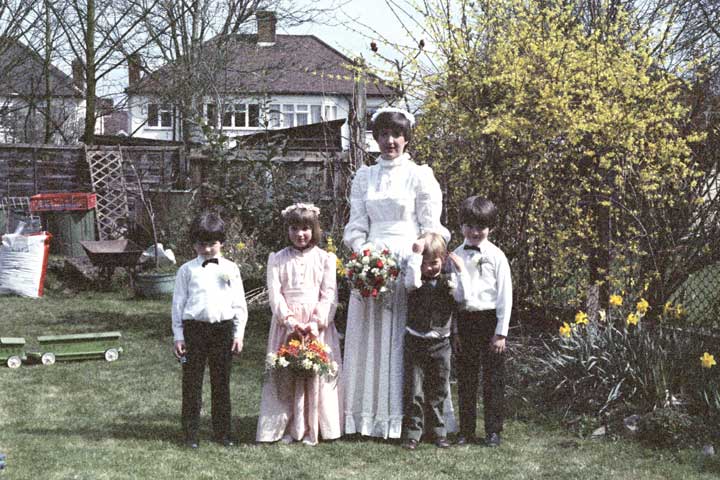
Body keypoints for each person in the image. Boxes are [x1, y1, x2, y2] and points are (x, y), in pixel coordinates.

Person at [342, 106, 454, 439]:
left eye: (396, 134)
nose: (390, 141)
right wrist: (364, 256)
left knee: (408, 344)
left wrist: (417, 252)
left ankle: (412, 421)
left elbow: (433, 228)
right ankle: (365, 418)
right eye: (383, 135)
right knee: (370, 338)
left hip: (410, 267)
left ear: (406, 138)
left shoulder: (420, 175)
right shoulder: (365, 176)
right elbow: (356, 225)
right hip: (372, 265)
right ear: (375, 138)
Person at [256, 203, 343, 445]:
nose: (300, 234)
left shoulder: (325, 259)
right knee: (285, 377)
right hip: (287, 325)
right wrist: (290, 320)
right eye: (294, 228)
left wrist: (316, 323)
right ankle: (286, 426)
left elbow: (329, 295)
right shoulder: (277, 259)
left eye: (305, 228)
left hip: (317, 327)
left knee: (316, 374)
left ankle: (316, 427)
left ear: (314, 229)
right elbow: (275, 294)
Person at [172, 212, 247, 449]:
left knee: (221, 383)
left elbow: (239, 304)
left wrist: (238, 333)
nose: (206, 249)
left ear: (222, 243)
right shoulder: (187, 270)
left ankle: (222, 432)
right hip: (194, 330)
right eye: (201, 244)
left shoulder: (231, 268)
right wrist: (178, 335)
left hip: (222, 331)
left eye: (211, 244)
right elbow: (178, 304)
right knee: (192, 383)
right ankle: (190, 433)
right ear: (194, 243)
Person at [452, 196, 512, 447]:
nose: (475, 232)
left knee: (493, 380)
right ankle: (466, 430)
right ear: (461, 226)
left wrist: (501, 332)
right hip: (465, 321)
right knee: (466, 380)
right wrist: (454, 331)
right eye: (470, 226)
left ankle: (493, 431)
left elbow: (505, 296)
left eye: (481, 227)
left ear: (491, 228)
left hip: (489, 322)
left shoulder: (497, 256)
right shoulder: (454, 255)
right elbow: (451, 295)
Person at [401, 232, 469, 450]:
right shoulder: (414, 282)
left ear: (443, 260)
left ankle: (438, 431)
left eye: (434, 263)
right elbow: (411, 280)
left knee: (438, 390)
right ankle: (413, 433)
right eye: (425, 264)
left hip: (441, 344)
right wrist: (416, 255)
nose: (429, 268)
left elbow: (463, 298)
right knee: (415, 392)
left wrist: (462, 271)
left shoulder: (449, 282)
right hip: (416, 342)